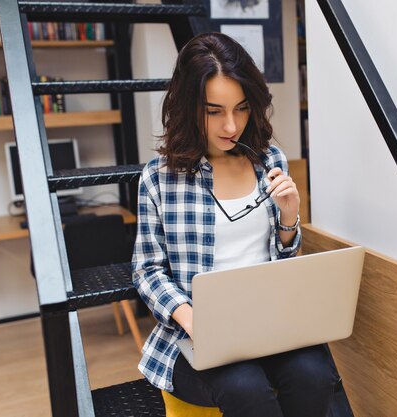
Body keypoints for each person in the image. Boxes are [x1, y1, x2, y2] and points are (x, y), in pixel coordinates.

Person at [132, 32, 339, 417]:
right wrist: (192, 318)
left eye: (241, 109)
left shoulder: (269, 159)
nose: (231, 125)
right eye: (214, 111)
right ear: (188, 106)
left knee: (315, 374)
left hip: (269, 324)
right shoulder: (159, 177)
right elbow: (147, 271)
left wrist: (289, 218)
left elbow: (285, 260)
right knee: (246, 389)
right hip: (195, 333)